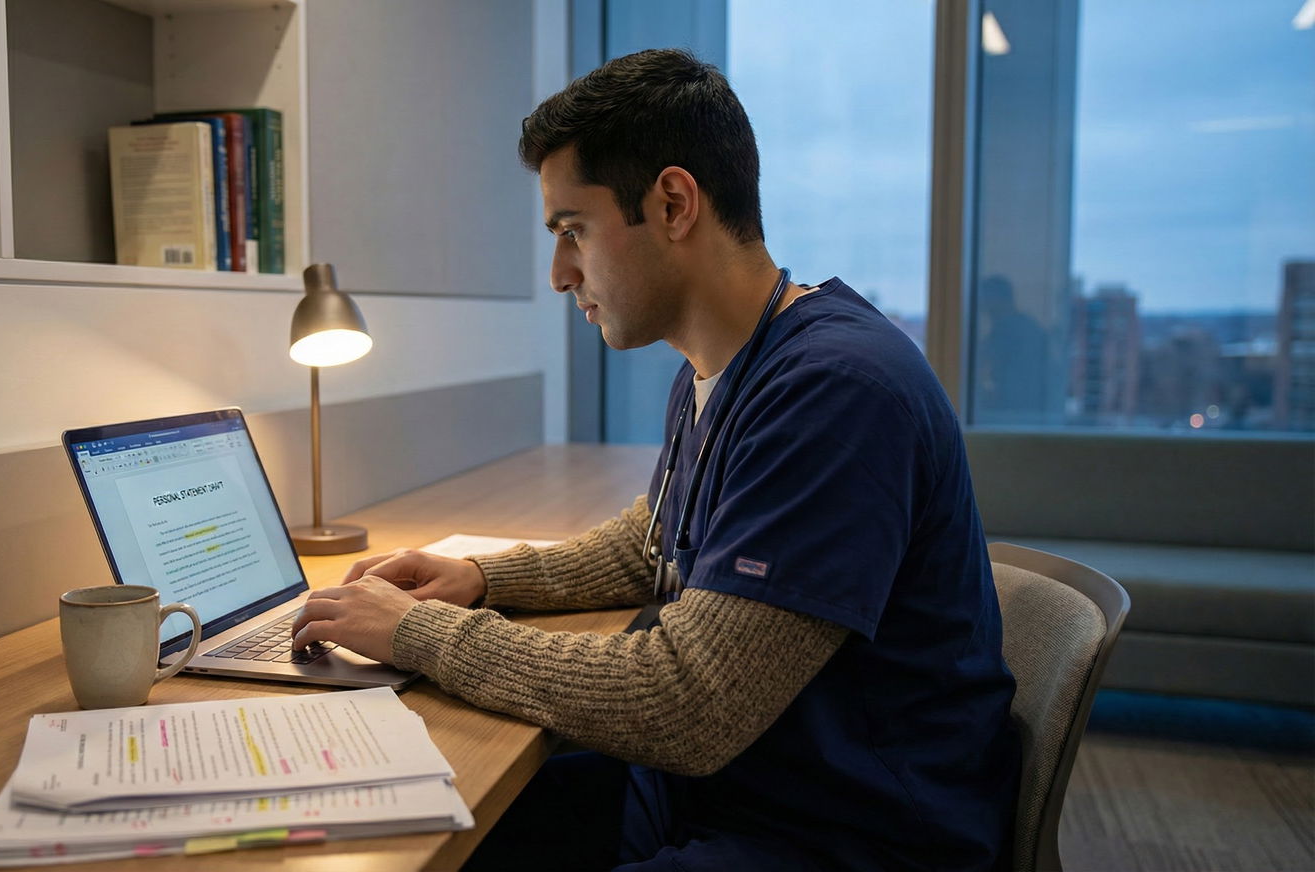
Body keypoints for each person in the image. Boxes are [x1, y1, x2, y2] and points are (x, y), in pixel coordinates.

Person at [291, 48, 1019, 870]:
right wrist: (489, 580)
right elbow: (659, 536)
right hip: (734, 787)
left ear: (673, 203)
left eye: (572, 231)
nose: (560, 273)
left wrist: (423, 633)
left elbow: (689, 702)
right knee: (412, 829)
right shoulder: (721, 363)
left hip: (844, 833)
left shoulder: (835, 392)